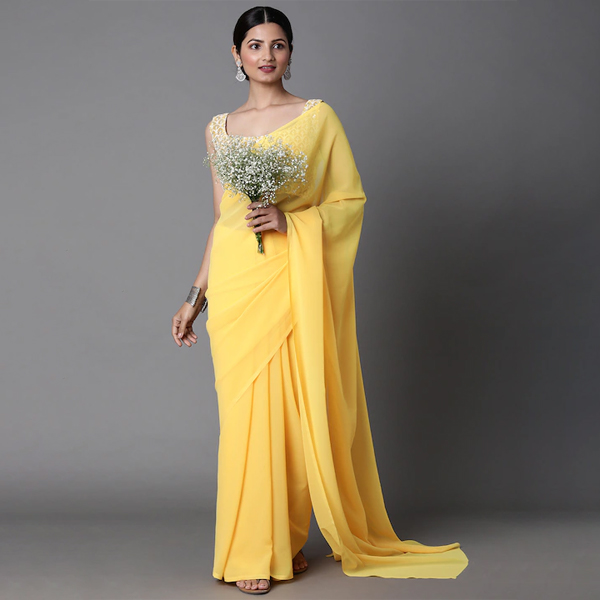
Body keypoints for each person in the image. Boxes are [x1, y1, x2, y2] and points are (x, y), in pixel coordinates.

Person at [171, 5, 469, 596]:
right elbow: (222, 222)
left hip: (290, 280)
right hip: (237, 289)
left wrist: (291, 222)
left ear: (290, 52)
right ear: (236, 55)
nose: (267, 55)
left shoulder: (317, 117)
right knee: (245, 420)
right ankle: (257, 541)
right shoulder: (218, 129)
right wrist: (194, 296)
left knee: (290, 417)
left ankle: (274, 544)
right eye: (255, 45)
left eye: (278, 44)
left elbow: (348, 202)